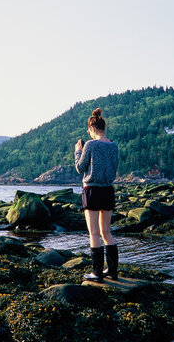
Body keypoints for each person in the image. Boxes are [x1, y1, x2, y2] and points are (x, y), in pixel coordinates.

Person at [74, 108, 119, 282]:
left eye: (89, 130)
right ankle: (112, 271)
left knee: (94, 233)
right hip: (108, 190)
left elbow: (80, 167)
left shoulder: (90, 145)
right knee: (106, 232)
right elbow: (113, 168)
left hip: (91, 190)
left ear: (92, 129)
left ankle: (97, 273)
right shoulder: (113, 145)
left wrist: (78, 150)